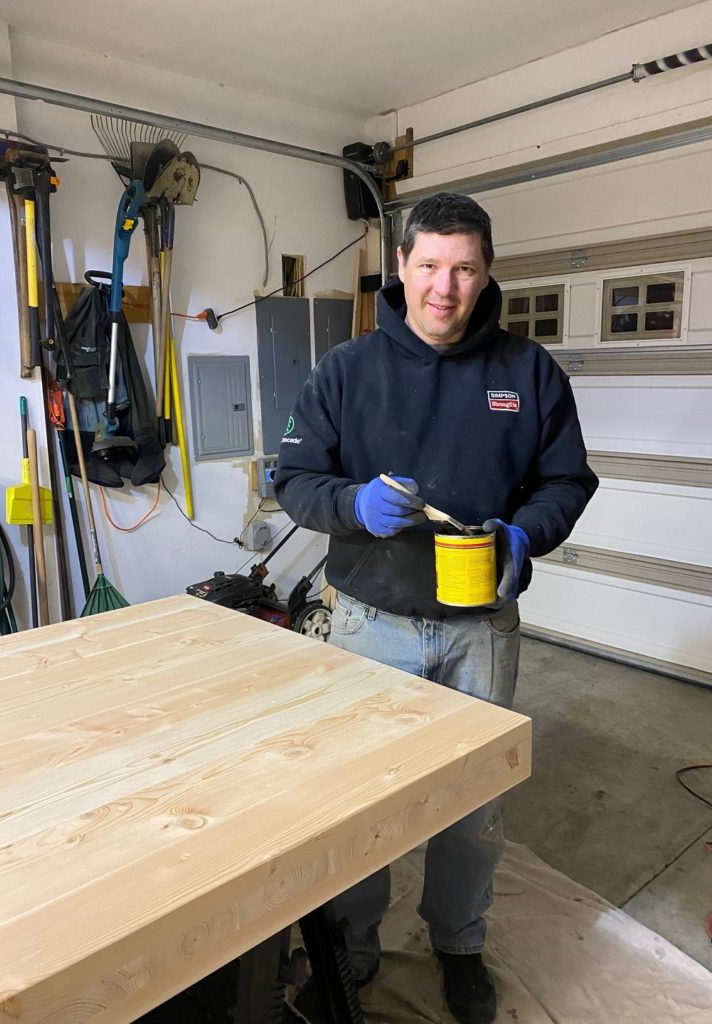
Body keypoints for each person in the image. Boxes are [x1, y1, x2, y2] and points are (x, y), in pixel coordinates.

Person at [274, 192, 598, 1024]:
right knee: (360, 799)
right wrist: (350, 507)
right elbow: (294, 481)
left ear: (486, 273)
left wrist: (527, 535)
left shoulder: (528, 374)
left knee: (472, 802)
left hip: (480, 630)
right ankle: (351, 948)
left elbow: (567, 481)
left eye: (464, 269)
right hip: (366, 622)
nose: (444, 288)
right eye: (429, 267)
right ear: (404, 270)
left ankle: (458, 943)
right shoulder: (346, 371)